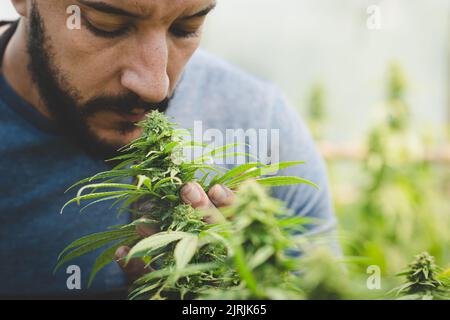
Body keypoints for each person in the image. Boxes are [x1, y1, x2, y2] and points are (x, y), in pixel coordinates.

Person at [0, 0, 338, 299]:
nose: (155, 86)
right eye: (107, 25)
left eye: (185, 27)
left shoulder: (258, 124)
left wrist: (242, 292)